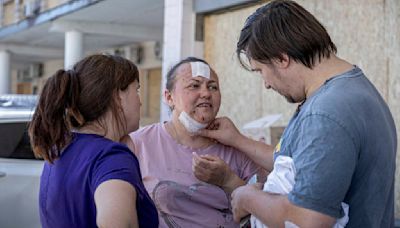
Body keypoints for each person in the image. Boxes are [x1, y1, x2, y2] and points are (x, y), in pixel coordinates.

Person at [198, 0, 397, 227]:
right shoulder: (352, 89)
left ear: (282, 59)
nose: (266, 84)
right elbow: (301, 162)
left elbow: (309, 219)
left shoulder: (326, 113)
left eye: (261, 71)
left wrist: (248, 197)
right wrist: (236, 140)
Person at [123, 57, 260, 227]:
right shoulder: (138, 144)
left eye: (213, 87)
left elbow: (262, 212)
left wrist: (229, 180)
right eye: (194, 85)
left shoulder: (237, 148)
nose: (206, 93)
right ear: (169, 97)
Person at [28, 54, 159, 228]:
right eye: (137, 90)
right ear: (117, 96)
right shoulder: (111, 157)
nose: (140, 102)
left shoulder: (62, 148)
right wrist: (120, 160)